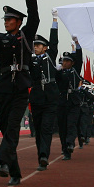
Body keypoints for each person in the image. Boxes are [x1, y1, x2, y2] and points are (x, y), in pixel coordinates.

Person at [0, 0, 40, 185]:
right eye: (5, 19)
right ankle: (13, 170)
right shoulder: (2, 39)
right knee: (6, 128)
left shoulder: (26, 36)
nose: (6, 22)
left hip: (21, 87)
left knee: (13, 126)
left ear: (18, 21)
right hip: (3, 88)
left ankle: (3, 162)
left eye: (10, 19)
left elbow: (34, 18)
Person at [29, 13, 60, 170]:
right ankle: (40, 154)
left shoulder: (50, 57)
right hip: (36, 97)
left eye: (38, 45)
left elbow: (54, 41)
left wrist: (54, 21)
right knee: (39, 127)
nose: (35, 47)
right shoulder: (31, 60)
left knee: (47, 127)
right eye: (34, 45)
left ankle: (43, 156)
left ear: (45, 47)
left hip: (50, 97)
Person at [56, 46, 83, 160]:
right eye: (64, 61)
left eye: (67, 61)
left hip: (73, 101)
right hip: (62, 101)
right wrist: (57, 70)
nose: (65, 63)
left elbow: (80, 58)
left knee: (71, 124)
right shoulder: (58, 72)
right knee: (62, 127)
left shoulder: (75, 70)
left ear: (72, 63)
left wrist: (77, 45)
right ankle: (65, 149)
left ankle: (70, 143)